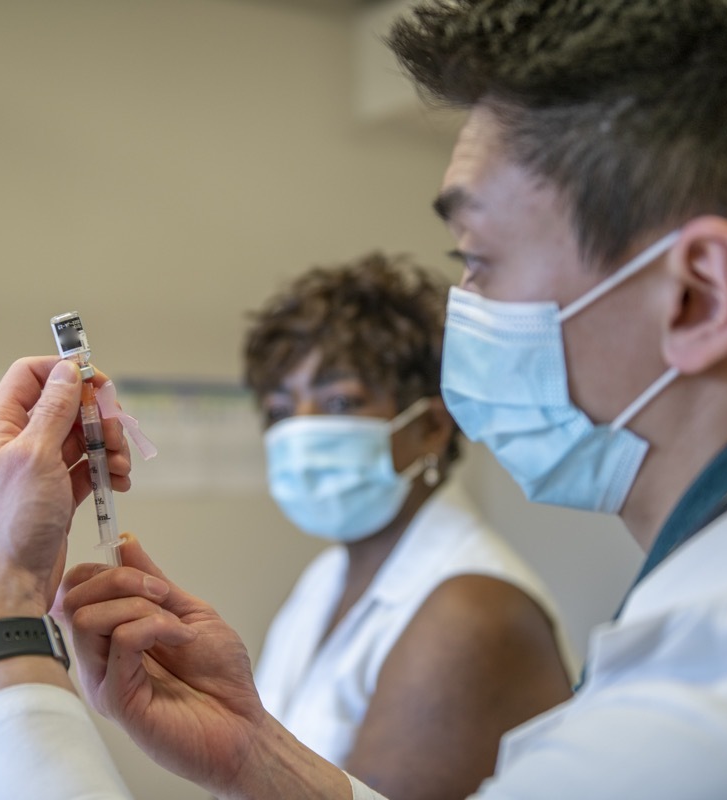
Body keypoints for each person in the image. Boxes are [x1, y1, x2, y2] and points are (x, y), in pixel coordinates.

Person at [0, 1, 727, 798]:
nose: (461, 313)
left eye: (477, 259)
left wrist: (6, 616)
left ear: (698, 296)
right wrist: (263, 757)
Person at [244, 254, 573, 797]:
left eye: (340, 401)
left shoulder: (471, 610)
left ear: (430, 429)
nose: (300, 433)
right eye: (280, 410)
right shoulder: (324, 580)